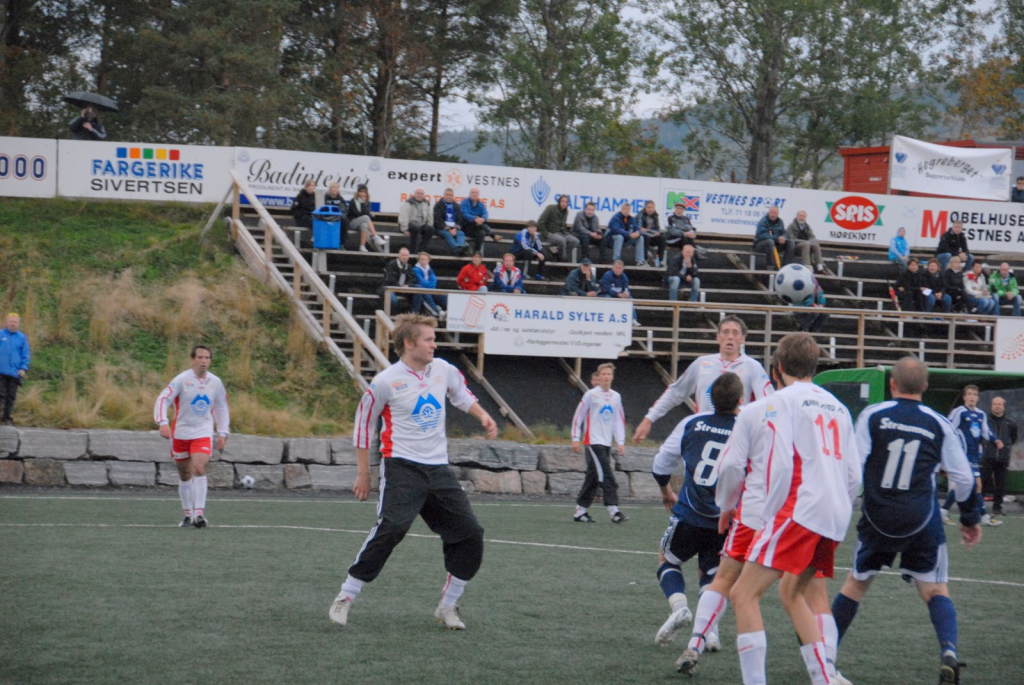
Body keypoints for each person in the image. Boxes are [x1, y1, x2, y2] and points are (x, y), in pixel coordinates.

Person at [678, 362, 847, 683]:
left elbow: (733, 466)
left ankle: (696, 643)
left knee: (728, 580)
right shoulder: (825, 408)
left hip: (760, 510)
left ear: (776, 370)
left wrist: (726, 505)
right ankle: (828, 670)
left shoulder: (756, 412)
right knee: (812, 594)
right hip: (806, 512)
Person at [330, 314, 497, 630]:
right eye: (428, 340)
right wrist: (363, 474)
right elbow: (363, 427)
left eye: (434, 339)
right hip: (401, 467)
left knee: (470, 533)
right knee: (392, 527)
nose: (434, 345)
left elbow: (461, 394)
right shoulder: (385, 381)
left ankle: (448, 605)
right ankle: (346, 596)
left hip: (438, 469)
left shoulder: (443, 369)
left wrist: (482, 415)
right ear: (409, 343)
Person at [831, 357, 981, 685]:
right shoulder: (939, 423)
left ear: (892, 384)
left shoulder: (873, 415)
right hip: (921, 519)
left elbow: (852, 469)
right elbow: (964, 479)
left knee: (855, 584)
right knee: (935, 589)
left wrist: (840, 507)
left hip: (878, 517)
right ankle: (949, 651)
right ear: (925, 386)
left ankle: (825, 657)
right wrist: (970, 518)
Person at [725, 333, 861, 685]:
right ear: (815, 365)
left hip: (800, 508)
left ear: (779, 367)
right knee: (792, 592)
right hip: (835, 514)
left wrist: (770, 516)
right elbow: (853, 475)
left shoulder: (781, 402)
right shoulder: (839, 406)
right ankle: (824, 677)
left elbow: (782, 464)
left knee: (743, 593)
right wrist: (838, 508)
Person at [650, 373, 742, 654]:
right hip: (727, 518)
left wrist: (666, 490)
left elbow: (661, 463)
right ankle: (709, 632)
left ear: (709, 398)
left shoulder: (692, 423)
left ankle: (679, 607)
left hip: (690, 513)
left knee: (667, 559)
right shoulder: (747, 427)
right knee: (714, 574)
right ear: (740, 400)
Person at [633, 315, 773, 444]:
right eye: (725, 332)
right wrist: (649, 419)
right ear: (717, 336)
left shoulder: (752, 367)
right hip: (704, 434)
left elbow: (768, 402)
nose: (730, 337)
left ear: (743, 338)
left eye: (735, 333)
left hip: (736, 437)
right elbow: (675, 392)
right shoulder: (702, 363)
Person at [154, 345, 230, 529]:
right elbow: (163, 399)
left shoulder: (215, 382)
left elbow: (221, 406)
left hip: (202, 433)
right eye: (200, 357)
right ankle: (188, 514)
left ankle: (199, 515)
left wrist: (222, 432)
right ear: (193, 359)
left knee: (199, 467)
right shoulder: (182, 379)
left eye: (207, 358)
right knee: (184, 474)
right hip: (180, 433)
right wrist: (162, 422)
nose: (204, 361)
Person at [571, 363, 628, 523]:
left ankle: (580, 511)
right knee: (606, 473)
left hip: (606, 442)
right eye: (604, 374)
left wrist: (620, 441)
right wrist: (575, 438)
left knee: (594, 476)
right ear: (599, 376)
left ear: (612, 377)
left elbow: (618, 420)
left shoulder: (616, 396)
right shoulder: (591, 395)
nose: (606, 377)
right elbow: (578, 416)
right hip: (593, 441)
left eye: (609, 374)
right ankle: (614, 510)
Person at [941, 385, 1004, 527]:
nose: (972, 397)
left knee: (966, 485)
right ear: (964, 397)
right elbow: (948, 428)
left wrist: (995, 440)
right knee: (977, 485)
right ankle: (985, 516)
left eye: (974, 394)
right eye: (969, 394)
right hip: (962, 455)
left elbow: (986, 431)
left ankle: (943, 511)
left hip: (974, 455)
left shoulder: (981, 414)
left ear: (978, 398)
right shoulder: (959, 412)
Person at [982, 396, 1017, 517]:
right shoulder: (985, 421)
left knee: (1000, 484)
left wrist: (1005, 448)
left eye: (999, 404)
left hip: (1003, 458)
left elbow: (1013, 438)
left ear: (1004, 407)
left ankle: (997, 508)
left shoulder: (1011, 422)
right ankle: (980, 507)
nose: (997, 406)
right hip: (987, 456)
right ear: (991, 406)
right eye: (995, 404)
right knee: (983, 482)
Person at [0, 314, 30, 425]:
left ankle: (7, 418)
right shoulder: (1, 334)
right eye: (11, 321)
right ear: (6, 322)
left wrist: (23, 368)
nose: (12, 324)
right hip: (1, 371)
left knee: (11, 396)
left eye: (15, 322)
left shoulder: (22, 338)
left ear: (18, 324)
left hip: (14, 372)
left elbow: (25, 354)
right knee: (0, 394)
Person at [599, 260, 640, 326]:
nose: (618, 270)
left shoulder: (624, 277)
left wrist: (627, 293)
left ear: (622, 269)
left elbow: (626, 288)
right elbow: (605, 289)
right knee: (607, 298)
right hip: (606, 294)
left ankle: (633, 319)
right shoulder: (607, 275)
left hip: (619, 296)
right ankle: (608, 318)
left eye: (619, 268)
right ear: (613, 268)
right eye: (616, 267)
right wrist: (618, 294)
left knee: (629, 298)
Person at [539, 194, 579, 261]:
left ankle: (559, 254)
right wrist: (545, 233)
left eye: (566, 202)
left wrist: (567, 233)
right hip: (551, 233)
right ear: (559, 202)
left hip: (562, 233)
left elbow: (563, 225)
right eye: (562, 201)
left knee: (575, 241)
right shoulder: (550, 208)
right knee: (562, 240)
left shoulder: (566, 211)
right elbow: (541, 221)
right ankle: (563, 259)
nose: (564, 203)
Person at [348, 185, 385, 253]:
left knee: (364, 225)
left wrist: (363, 205)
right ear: (358, 193)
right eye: (361, 192)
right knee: (365, 217)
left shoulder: (367, 203)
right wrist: (362, 204)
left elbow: (367, 213)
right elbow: (357, 213)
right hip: (351, 222)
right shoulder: (353, 201)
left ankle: (362, 246)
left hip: (361, 222)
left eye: (364, 192)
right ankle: (375, 236)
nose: (362, 194)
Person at [460, 187, 498, 253]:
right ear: (469, 194)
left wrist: (482, 219)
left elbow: (485, 213)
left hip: (477, 228)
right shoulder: (464, 203)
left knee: (482, 232)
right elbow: (465, 214)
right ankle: (492, 234)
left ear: (478, 195)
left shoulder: (481, 204)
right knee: (476, 224)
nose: (474, 194)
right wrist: (475, 218)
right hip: (466, 227)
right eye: (473, 192)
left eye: (476, 193)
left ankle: (476, 253)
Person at [432, 188, 468, 256]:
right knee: (447, 234)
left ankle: (460, 248)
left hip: (454, 228)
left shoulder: (456, 206)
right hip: (441, 228)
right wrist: (448, 229)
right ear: (444, 195)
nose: (449, 196)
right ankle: (457, 248)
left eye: (450, 195)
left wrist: (455, 228)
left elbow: (460, 219)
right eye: (447, 194)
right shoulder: (438, 205)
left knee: (461, 233)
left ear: (453, 196)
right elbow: (437, 220)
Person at [379, 246, 417, 311]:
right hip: (389, 288)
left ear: (408, 257)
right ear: (399, 256)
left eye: (406, 255)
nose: (404, 257)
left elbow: (413, 278)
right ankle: (391, 315)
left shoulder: (409, 266)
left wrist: (408, 285)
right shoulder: (391, 264)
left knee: (418, 288)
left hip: (403, 289)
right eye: (403, 255)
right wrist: (400, 287)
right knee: (393, 300)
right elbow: (390, 279)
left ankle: (415, 311)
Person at [399, 188, 435, 254]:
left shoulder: (426, 203)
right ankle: (413, 251)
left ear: (424, 195)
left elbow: (430, 216)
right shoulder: (409, 203)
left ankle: (422, 250)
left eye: (421, 194)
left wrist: (429, 226)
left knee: (431, 229)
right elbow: (404, 216)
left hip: (421, 224)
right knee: (415, 229)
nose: (419, 195)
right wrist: (404, 229)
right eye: (418, 193)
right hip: (410, 224)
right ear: (414, 194)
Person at [412, 252, 446, 319]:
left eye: (426, 259)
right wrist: (429, 286)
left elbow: (434, 282)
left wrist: (429, 286)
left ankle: (446, 312)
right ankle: (437, 312)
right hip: (422, 291)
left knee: (443, 297)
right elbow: (421, 282)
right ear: (418, 260)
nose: (424, 261)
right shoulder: (415, 270)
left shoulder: (430, 270)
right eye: (422, 259)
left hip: (431, 290)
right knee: (426, 295)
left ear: (428, 260)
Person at [638, 200, 666, 267]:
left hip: (652, 236)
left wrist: (657, 232)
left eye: (652, 208)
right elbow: (639, 228)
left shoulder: (655, 216)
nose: (650, 209)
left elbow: (657, 228)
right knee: (646, 237)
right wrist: (648, 231)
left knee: (663, 238)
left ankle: (660, 260)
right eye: (649, 207)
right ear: (645, 207)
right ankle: (645, 260)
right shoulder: (640, 215)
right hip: (644, 236)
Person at [322, 182, 348, 249]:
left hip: (338, 218)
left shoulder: (340, 199)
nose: (334, 189)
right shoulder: (325, 198)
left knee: (345, 222)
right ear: (329, 189)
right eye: (333, 187)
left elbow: (344, 210)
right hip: (327, 217)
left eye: (336, 187)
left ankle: (341, 244)